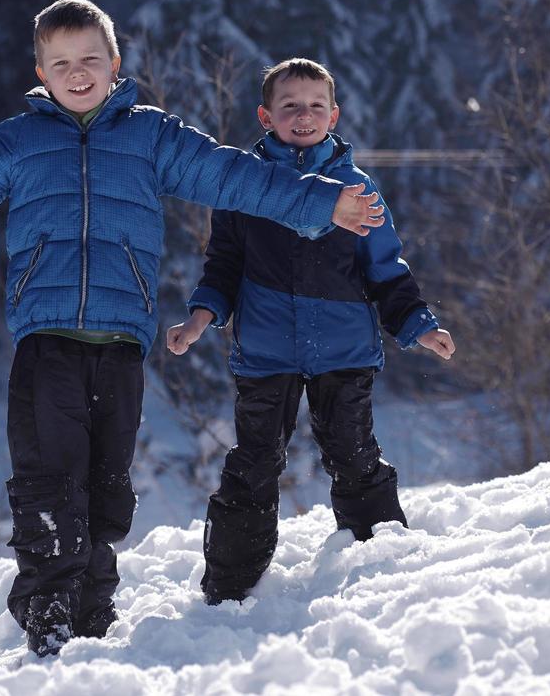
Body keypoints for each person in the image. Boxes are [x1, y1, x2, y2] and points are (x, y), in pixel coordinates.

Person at [0, 0, 387, 658]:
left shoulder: (151, 137)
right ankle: (47, 606)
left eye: (91, 59)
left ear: (114, 64)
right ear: (41, 71)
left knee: (107, 489)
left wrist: (322, 201)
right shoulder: (18, 141)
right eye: (62, 63)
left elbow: (234, 176)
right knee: (47, 480)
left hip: (120, 341)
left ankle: (90, 607)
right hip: (46, 338)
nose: (78, 72)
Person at [165, 57, 455, 605]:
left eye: (316, 106)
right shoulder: (244, 188)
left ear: (335, 114)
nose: (304, 115)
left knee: (353, 453)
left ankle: (383, 565)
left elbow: (386, 270)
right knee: (254, 462)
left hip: (344, 350)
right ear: (265, 116)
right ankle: (229, 586)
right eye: (290, 105)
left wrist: (419, 325)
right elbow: (222, 265)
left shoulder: (358, 188)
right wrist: (202, 315)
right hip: (267, 352)